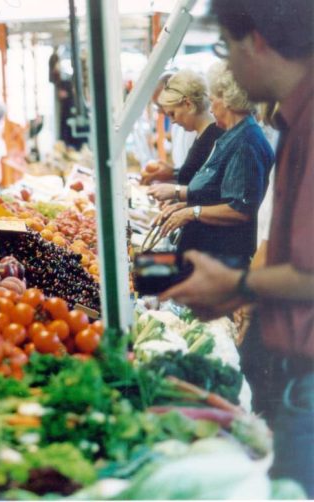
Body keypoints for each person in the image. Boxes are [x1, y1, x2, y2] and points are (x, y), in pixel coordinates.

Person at [161, 0, 314, 494]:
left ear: (260, 41)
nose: (228, 65)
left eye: (228, 45)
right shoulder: (296, 119)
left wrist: (238, 284)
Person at [147, 61, 273, 269]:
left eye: (213, 100)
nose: (211, 108)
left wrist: (191, 212)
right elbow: (217, 191)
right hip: (206, 254)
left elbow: (240, 209)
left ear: (228, 101)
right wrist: (187, 203)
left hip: (221, 261)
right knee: (140, 274)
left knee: (145, 276)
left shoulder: (246, 142)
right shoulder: (233, 136)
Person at [141, 73, 198, 185]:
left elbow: (198, 179)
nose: (160, 111)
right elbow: (185, 170)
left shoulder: (195, 129)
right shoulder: (177, 125)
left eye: (160, 105)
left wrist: (172, 174)